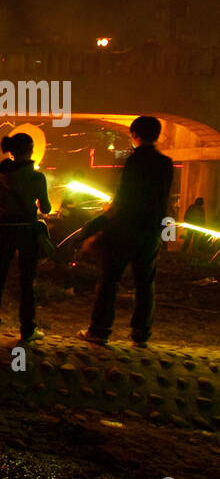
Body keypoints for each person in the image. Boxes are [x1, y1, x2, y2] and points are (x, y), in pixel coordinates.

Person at [80, 115, 174, 346]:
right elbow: (163, 200)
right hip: (151, 230)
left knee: (109, 280)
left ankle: (100, 330)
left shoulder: (134, 161)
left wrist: (102, 221)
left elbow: (125, 199)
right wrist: (165, 233)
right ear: (158, 135)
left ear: (134, 135)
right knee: (145, 283)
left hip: (127, 228)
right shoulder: (166, 163)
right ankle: (141, 334)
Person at [0, 133, 50, 341]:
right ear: (30, 151)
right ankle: (27, 329)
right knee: (26, 281)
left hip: (4, 228)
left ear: (10, 151)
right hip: (26, 231)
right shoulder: (36, 177)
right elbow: (46, 208)